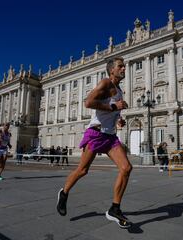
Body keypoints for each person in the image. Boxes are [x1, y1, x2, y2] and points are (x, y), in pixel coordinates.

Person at [56, 57, 132, 228]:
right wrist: (115, 108)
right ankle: (64, 193)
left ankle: (114, 209)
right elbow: (88, 102)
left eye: (124, 66)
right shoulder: (105, 83)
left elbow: (110, 110)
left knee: (126, 168)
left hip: (110, 136)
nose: (124, 69)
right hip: (96, 135)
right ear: (111, 70)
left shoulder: (119, 90)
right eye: (120, 66)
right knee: (82, 170)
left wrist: (118, 119)